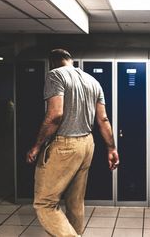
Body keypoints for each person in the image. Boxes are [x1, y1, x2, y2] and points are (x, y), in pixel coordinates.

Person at [26, 49, 119, 237]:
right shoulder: (92, 81)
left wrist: (36, 146)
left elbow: (55, 115)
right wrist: (111, 148)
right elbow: (103, 120)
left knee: (44, 203)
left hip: (65, 146)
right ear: (71, 60)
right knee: (75, 201)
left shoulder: (55, 75)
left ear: (52, 62)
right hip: (87, 144)